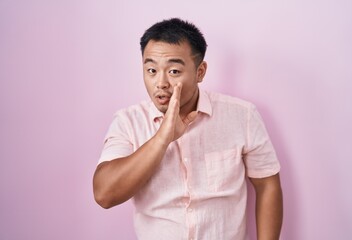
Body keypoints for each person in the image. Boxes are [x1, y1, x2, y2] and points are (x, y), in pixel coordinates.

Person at [93, 18, 283, 240]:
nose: (161, 83)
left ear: (200, 72)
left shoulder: (242, 115)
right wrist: (162, 138)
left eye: (173, 71)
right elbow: (105, 195)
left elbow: (267, 183)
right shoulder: (128, 121)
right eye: (151, 70)